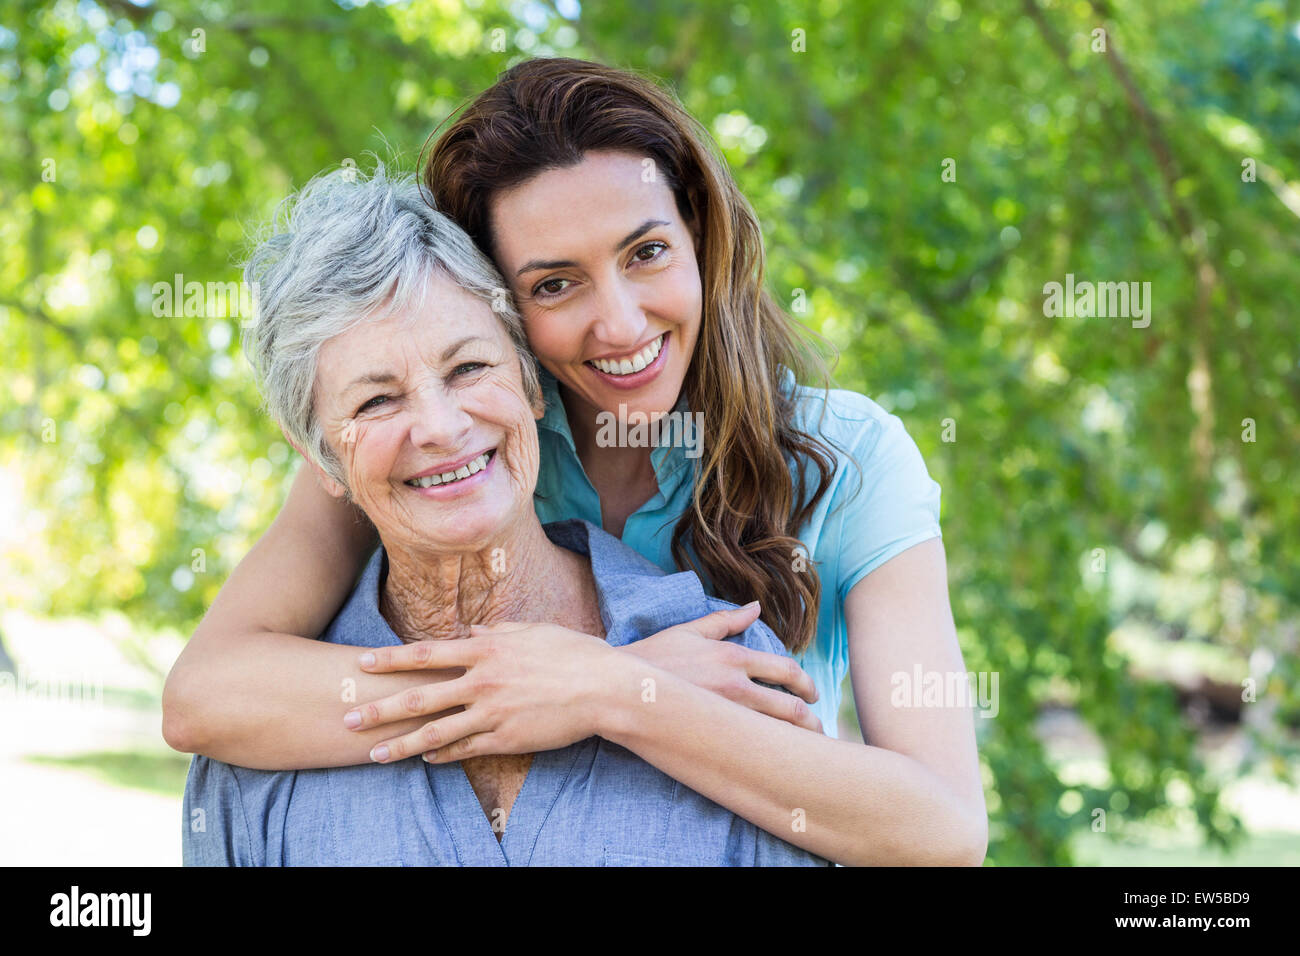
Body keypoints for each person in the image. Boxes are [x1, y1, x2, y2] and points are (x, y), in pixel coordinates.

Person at [165, 58, 986, 866]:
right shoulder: (458, 441)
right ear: (500, 306)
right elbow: (209, 693)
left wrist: (610, 690)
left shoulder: (851, 459)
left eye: (647, 253)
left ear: (699, 236)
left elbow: (944, 830)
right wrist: (520, 693)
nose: (622, 324)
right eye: (556, 284)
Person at [184, 166, 828, 866]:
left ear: (532, 385)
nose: (439, 426)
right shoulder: (254, 738)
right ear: (320, 458)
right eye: (376, 402)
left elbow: (932, 829)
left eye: (468, 369)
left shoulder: (724, 669)